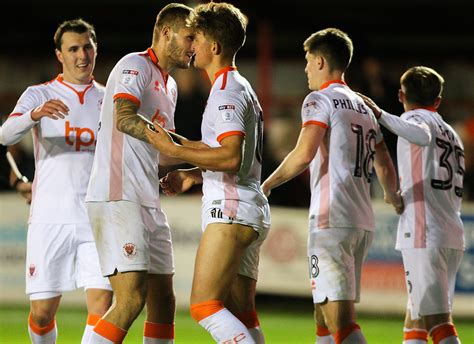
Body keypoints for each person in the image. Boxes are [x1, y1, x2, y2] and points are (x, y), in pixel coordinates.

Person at [261, 28, 402, 344]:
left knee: (341, 321)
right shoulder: (365, 107)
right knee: (323, 315)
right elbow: (384, 161)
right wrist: (392, 196)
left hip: (331, 218)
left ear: (322, 61)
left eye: (309, 61)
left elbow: (302, 155)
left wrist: (267, 184)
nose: (306, 69)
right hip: (361, 221)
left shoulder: (319, 99)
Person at [145, 3, 270, 343]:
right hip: (246, 207)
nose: (191, 45)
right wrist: (190, 173)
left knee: (204, 305)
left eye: (196, 38)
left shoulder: (226, 90)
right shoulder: (238, 86)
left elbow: (230, 158)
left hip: (231, 210)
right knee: (242, 312)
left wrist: (173, 151)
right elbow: (223, 151)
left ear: (214, 47)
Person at [84, 3, 195, 343]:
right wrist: (186, 148)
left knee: (163, 300)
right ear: (166, 33)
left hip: (147, 198)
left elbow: (163, 149)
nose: (194, 47)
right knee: (131, 298)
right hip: (118, 194)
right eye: (189, 37)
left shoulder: (171, 86)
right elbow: (124, 117)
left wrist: (192, 166)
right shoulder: (136, 65)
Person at [0, 19, 112, 343]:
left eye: (87, 47)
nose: (82, 55)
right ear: (59, 55)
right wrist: (35, 115)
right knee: (42, 313)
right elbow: (5, 133)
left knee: (102, 306)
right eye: (73, 49)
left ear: (95, 49)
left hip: (96, 218)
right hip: (51, 217)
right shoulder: (39, 94)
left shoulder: (108, 99)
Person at [359, 66, 464, 344]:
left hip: (424, 231)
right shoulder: (453, 134)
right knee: (415, 316)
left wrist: (380, 114)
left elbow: (421, 134)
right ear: (438, 101)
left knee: (437, 321)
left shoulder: (415, 119)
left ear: (400, 95)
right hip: (451, 230)